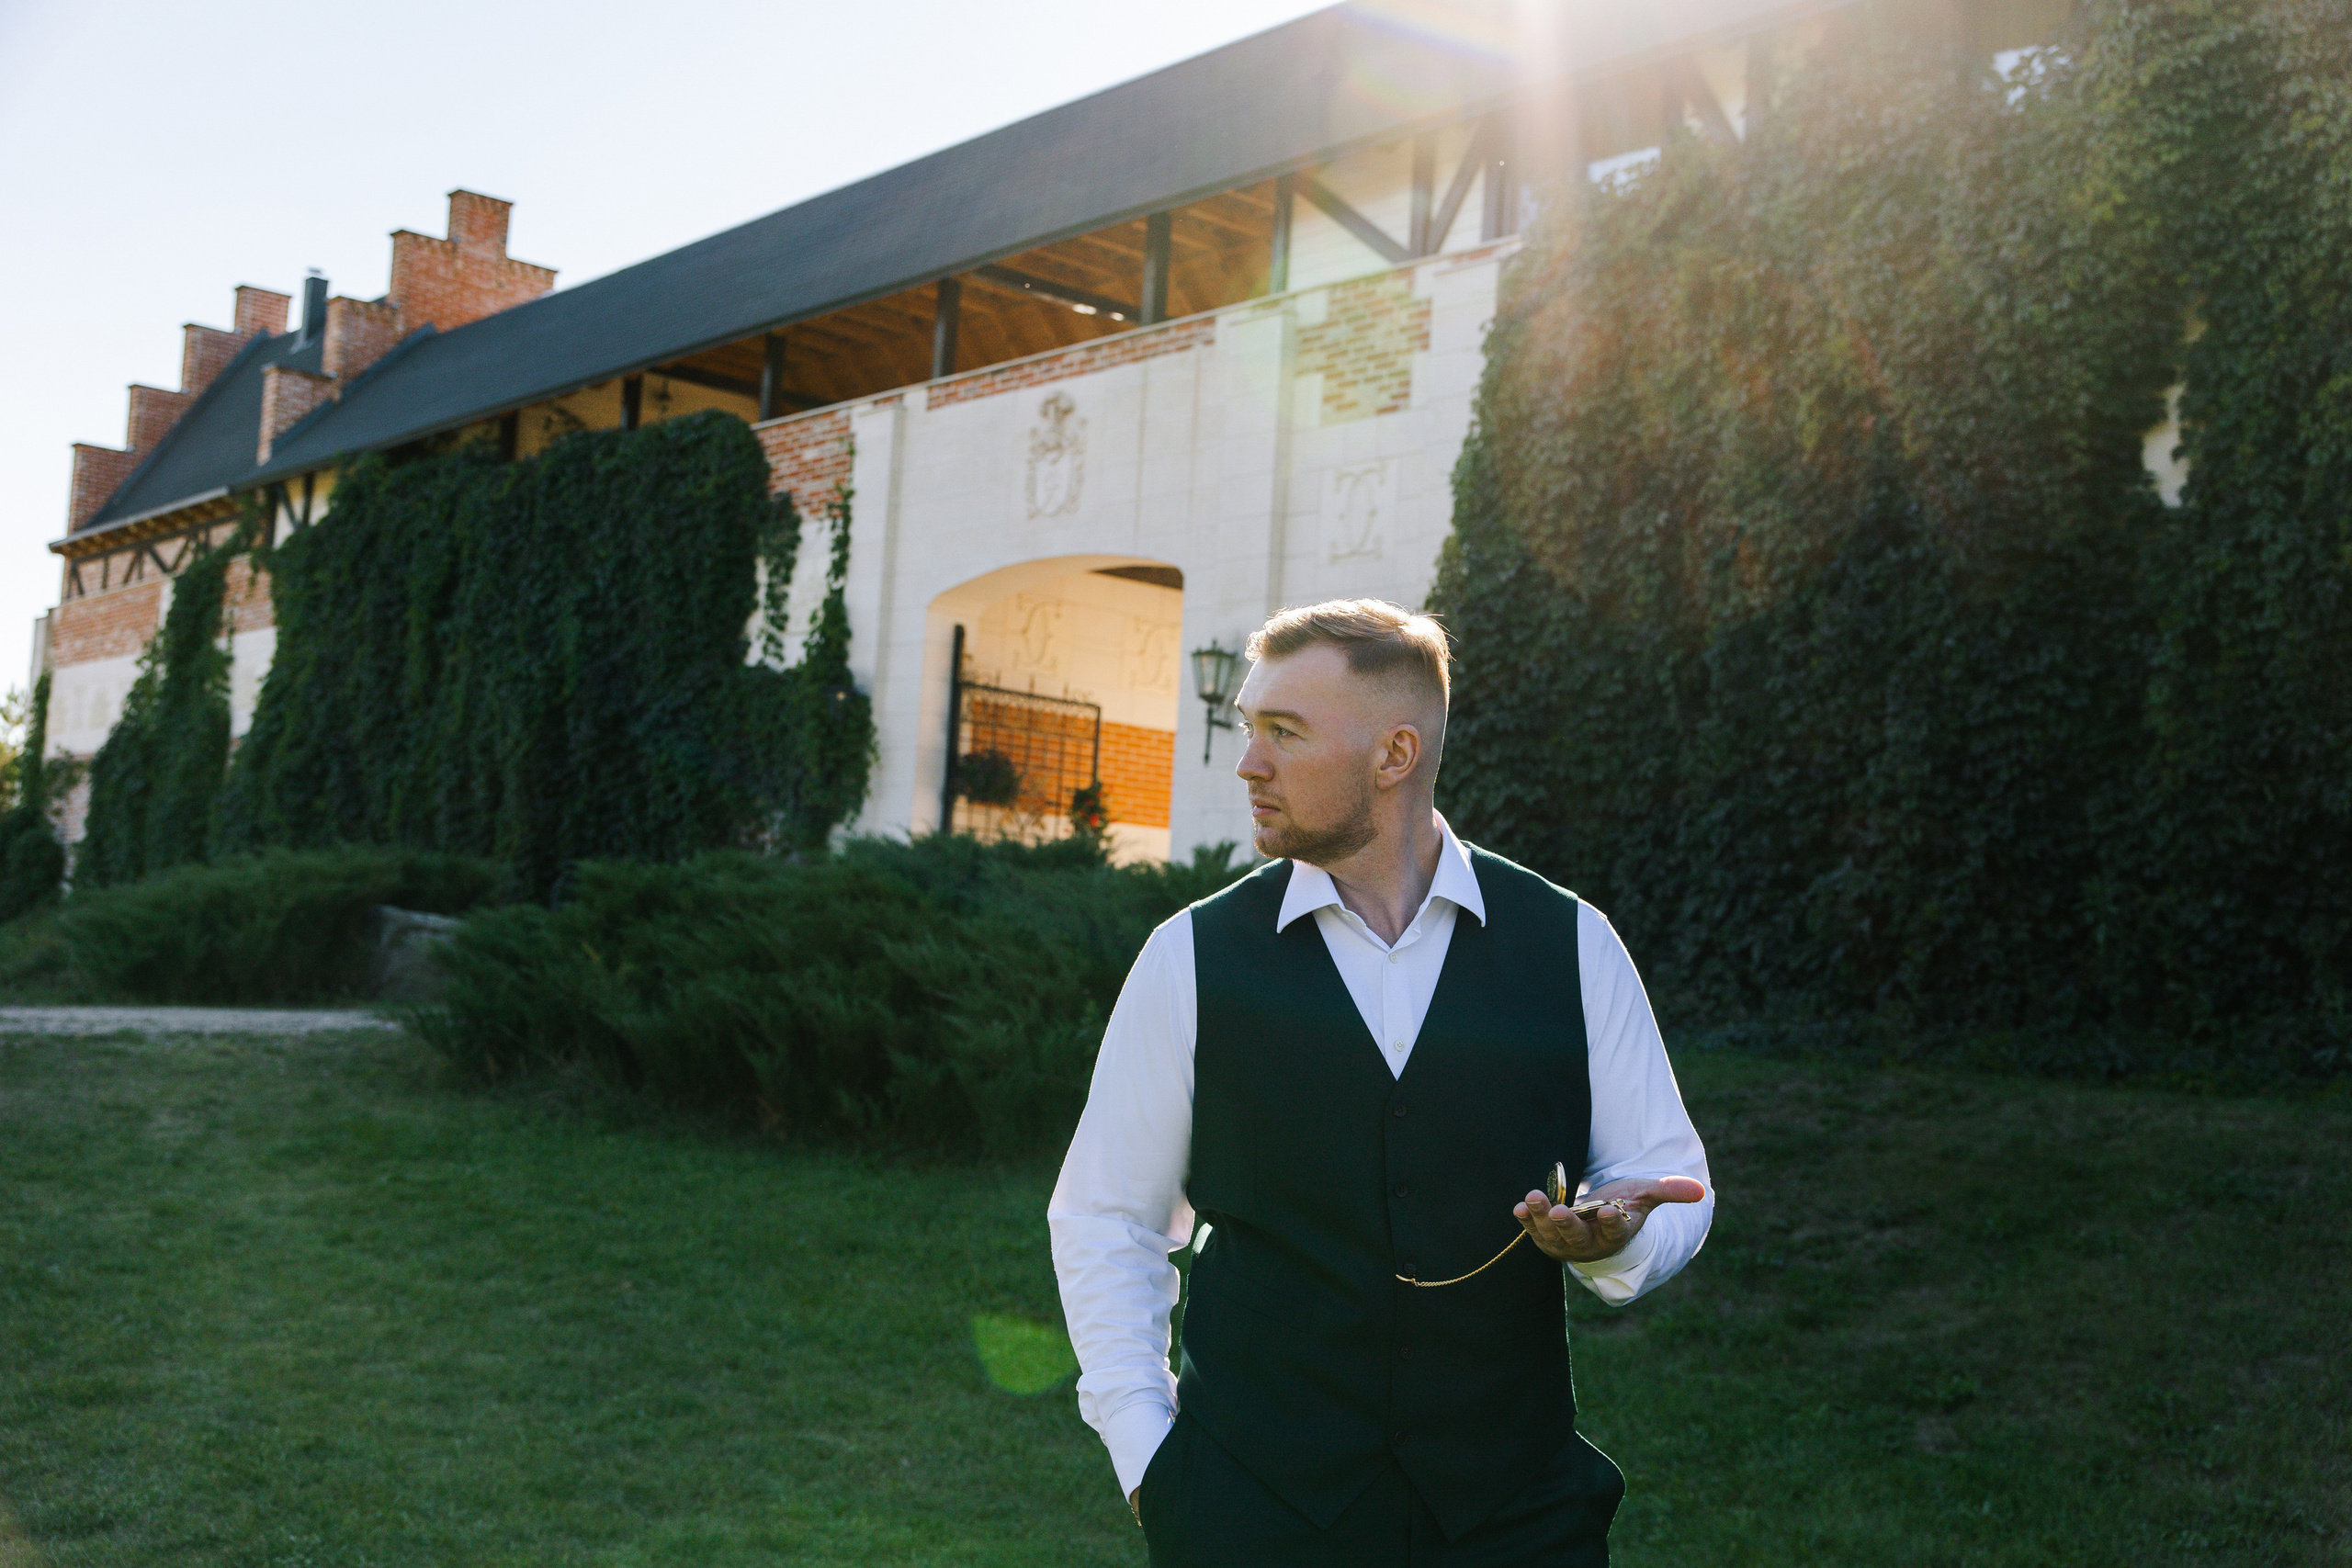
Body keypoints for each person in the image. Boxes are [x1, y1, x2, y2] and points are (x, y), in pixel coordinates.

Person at [1049, 598, 1713, 1565]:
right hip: (1252, 1516)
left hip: (1513, 1521)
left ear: (1395, 755)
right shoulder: (1188, 958)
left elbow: (1671, 1178)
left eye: (1284, 733)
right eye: (1249, 728)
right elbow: (1107, 1218)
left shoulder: (1569, 943)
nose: (1248, 764)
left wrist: (1617, 1239)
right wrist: (1151, 1463)